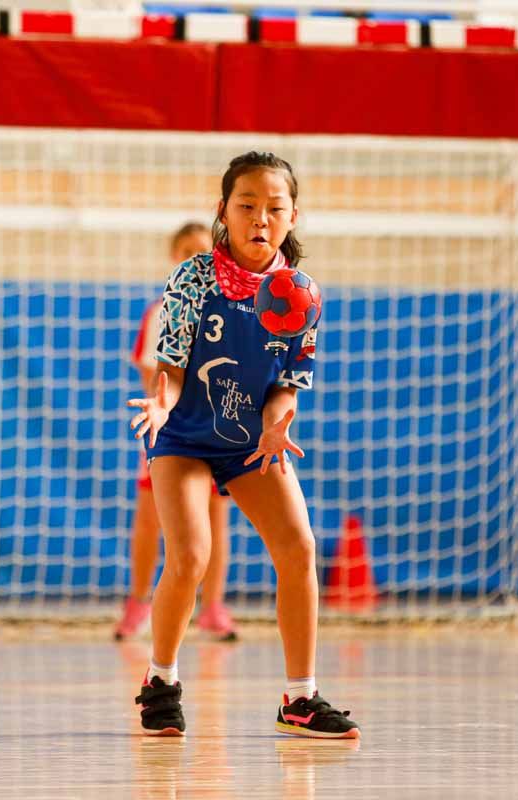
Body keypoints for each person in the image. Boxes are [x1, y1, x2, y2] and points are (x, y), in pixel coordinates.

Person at [127, 151, 360, 739]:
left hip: (248, 441)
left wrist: (280, 421)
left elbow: (288, 383)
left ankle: (300, 698)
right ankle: (160, 681)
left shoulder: (301, 294)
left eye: (274, 208)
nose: (260, 218)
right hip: (182, 434)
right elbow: (172, 365)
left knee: (299, 547)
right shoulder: (193, 276)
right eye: (247, 205)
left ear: (292, 217)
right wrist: (160, 401)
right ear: (223, 212)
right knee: (190, 557)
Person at [116, 222, 238, 643]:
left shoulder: (228, 311)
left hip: (217, 430)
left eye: (201, 250)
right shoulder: (161, 311)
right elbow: (154, 373)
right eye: (186, 251)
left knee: (217, 519)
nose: (193, 258)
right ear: (174, 258)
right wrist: (174, 406)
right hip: (168, 429)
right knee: (151, 519)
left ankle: (213, 607)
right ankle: (137, 604)